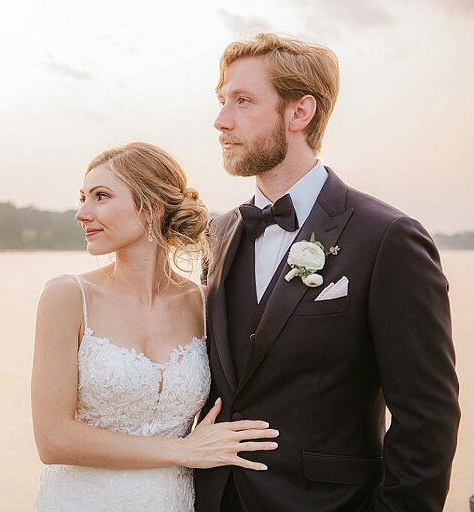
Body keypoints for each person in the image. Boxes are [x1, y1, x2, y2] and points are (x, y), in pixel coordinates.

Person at [195, 33, 460, 511]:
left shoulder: (388, 238)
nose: (221, 120)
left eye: (242, 101)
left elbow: (427, 417)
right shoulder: (219, 233)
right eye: (222, 101)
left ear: (300, 112)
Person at [31, 142, 279, 511]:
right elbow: (53, 440)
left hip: (172, 501)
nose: (82, 213)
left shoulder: (203, 303)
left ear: (151, 208)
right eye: (83, 198)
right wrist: (184, 450)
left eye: (101, 196)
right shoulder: (67, 297)